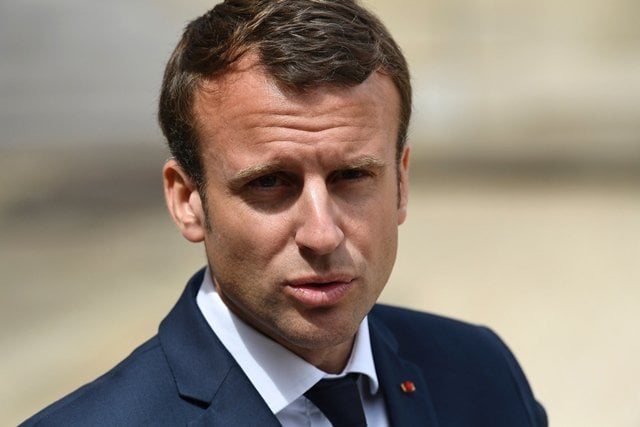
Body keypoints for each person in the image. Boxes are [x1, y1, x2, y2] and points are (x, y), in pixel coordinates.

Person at [22, 1, 547, 425]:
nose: (322, 234)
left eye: (352, 177)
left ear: (402, 182)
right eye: (270, 183)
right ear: (187, 201)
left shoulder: (480, 371)